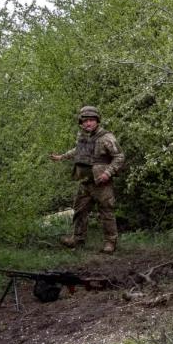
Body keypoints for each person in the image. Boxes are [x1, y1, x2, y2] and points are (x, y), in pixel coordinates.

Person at [50, 106, 125, 253]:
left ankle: (110, 243)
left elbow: (119, 157)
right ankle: (77, 239)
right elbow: (77, 150)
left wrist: (108, 173)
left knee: (106, 212)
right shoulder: (83, 136)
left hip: (101, 182)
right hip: (85, 181)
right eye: (85, 121)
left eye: (91, 120)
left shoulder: (106, 137)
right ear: (81, 123)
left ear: (97, 121)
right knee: (79, 210)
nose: (88, 123)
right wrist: (62, 157)